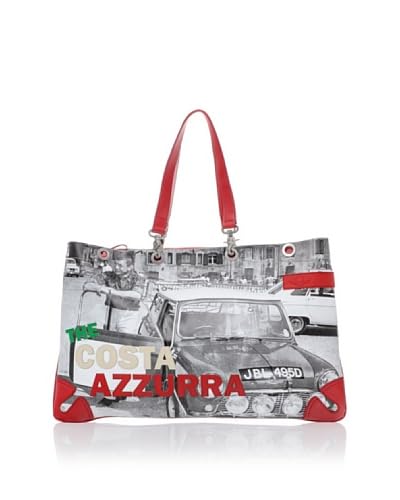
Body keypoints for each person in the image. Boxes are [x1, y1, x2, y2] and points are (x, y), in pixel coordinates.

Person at [83, 252, 145, 334]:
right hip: (111, 312)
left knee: (125, 339)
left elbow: (136, 295)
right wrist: (100, 288)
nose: (116, 267)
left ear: (130, 267)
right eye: (115, 264)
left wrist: (112, 291)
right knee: (109, 337)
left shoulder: (138, 278)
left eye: (120, 265)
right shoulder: (109, 275)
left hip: (129, 315)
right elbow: (86, 285)